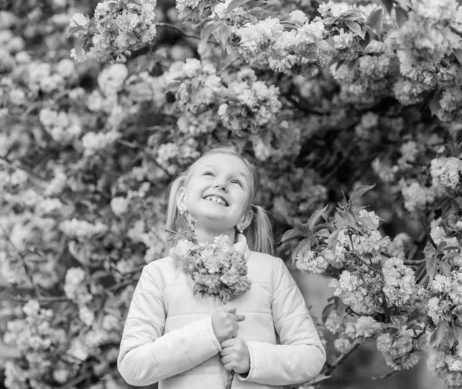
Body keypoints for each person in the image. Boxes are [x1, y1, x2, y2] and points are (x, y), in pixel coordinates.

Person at [117, 141, 326, 388]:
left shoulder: (270, 270)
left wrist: (253, 359)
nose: (221, 184)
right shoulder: (158, 274)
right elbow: (132, 365)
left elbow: (311, 355)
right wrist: (207, 334)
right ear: (183, 200)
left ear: (245, 218)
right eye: (209, 173)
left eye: (236, 182)